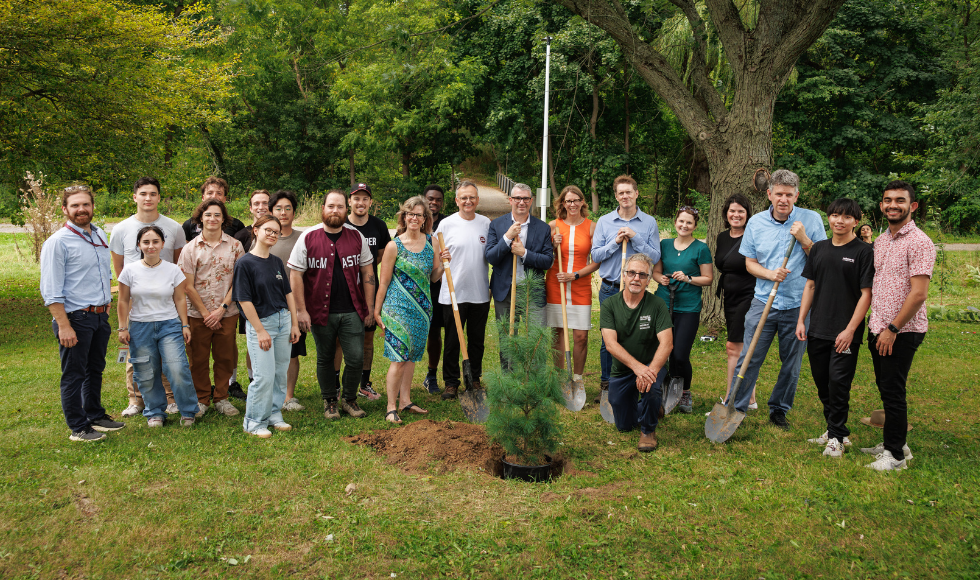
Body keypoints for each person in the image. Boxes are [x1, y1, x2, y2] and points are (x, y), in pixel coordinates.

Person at [728, 169, 827, 430]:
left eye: (789, 194)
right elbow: (749, 263)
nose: (784, 199)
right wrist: (770, 273)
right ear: (769, 194)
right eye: (779, 194)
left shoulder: (811, 219)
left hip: (798, 304)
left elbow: (824, 261)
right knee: (749, 357)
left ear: (797, 195)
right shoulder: (756, 222)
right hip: (763, 301)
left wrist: (805, 240)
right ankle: (735, 407)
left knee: (792, 364)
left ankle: (779, 409)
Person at [40, 184, 124, 442]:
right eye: (75, 205)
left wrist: (106, 301)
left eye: (85, 204)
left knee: (95, 368)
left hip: (99, 316)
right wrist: (64, 325)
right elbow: (51, 291)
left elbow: (102, 271)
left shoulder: (98, 234)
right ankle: (78, 427)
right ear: (65, 209)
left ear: (93, 206)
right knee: (74, 373)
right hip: (75, 317)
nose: (81, 209)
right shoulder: (58, 242)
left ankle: (95, 414)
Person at [861, 181, 934, 471]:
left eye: (900, 201)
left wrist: (893, 329)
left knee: (893, 390)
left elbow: (919, 293)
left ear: (912, 206)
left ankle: (895, 457)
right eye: (888, 200)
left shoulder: (919, 242)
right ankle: (897, 441)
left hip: (901, 330)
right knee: (885, 386)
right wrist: (879, 327)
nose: (893, 205)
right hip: (878, 326)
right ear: (881, 206)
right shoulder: (881, 241)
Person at [795, 198, 874, 458]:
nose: (839, 220)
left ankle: (837, 438)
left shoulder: (863, 252)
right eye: (835, 215)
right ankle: (834, 430)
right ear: (828, 217)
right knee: (822, 384)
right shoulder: (818, 249)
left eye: (846, 217)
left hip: (845, 331)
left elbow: (866, 294)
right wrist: (801, 319)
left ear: (856, 221)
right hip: (818, 327)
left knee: (839, 383)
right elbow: (810, 286)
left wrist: (851, 329)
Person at [288, 190, 376, 420]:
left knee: (356, 358)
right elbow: (296, 275)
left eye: (339, 207)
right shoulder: (309, 236)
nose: (335, 211)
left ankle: (349, 399)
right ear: (323, 208)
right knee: (325, 357)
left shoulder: (356, 236)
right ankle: (329, 401)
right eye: (330, 206)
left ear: (346, 209)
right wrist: (301, 310)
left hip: (352, 310)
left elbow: (368, 271)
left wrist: (369, 307)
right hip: (319, 311)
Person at [109, 176, 186, 417]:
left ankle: (170, 398)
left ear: (159, 197)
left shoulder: (174, 227)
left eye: (153, 194)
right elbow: (119, 268)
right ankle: (136, 399)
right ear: (135, 197)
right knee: (137, 354)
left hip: (165, 298)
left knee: (167, 352)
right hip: (135, 298)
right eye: (143, 194)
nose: (148, 198)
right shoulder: (121, 229)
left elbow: (177, 261)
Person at [117, 225, 199, 427]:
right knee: (146, 371)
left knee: (177, 367)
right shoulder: (129, 271)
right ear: (139, 245)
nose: (151, 246)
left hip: (169, 325)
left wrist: (185, 324)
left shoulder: (173, 270)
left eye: (155, 241)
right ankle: (154, 412)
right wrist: (122, 327)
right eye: (146, 242)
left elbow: (180, 299)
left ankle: (188, 411)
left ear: (163, 244)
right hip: (140, 327)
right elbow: (123, 301)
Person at [590, 175, 661, 403]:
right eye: (621, 193)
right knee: (609, 339)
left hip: (638, 290)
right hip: (611, 289)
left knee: (638, 336)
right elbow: (596, 255)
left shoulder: (649, 223)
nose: (625, 196)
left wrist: (635, 238)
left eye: (629, 192)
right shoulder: (604, 221)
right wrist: (614, 242)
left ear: (636, 194)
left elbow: (655, 256)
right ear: (616, 196)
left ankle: (635, 380)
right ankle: (608, 384)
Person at [375, 196, 444, 423]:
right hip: (397, 309)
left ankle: (405, 400)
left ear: (425, 219)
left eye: (419, 214)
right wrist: (377, 312)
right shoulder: (394, 245)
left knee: (412, 357)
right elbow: (383, 282)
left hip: (422, 309)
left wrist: (443, 265)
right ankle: (390, 407)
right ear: (404, 217)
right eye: (410, 213)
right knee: (399, 358)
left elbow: (433, 278)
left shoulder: (432, 242)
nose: (414, 218)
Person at [233, 215, 301, 438]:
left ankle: (273, 414)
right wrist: (260, 330)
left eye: (276, 231)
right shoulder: (245, 263)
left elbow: (288, 294)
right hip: (262, 324)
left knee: (279, 373)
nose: (272, 234)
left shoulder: (276, 261)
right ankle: (254, 422)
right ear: (255, 230)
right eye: (268, 230)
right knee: (263, 376)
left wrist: (293, 323)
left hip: (283, 322)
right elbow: (244, 300)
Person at [177, 199, 245, 417]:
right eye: (208, 215)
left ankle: (222, 398)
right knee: (198, 359)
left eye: (217, 215)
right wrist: (206, 314)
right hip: (198, 314)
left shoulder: (236, 246)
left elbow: (239, 282)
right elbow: (187, 285)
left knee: (225, 358)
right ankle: (201, 398)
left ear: (223, 219)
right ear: (200, 219)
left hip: (227, 313)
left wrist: (221, 309)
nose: (212, 219)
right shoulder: (190, 249)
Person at [599, 253, 673, 452]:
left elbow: (666, 344)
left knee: (652, 388)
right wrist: (637, 368)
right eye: (631, 273)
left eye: (642, 275)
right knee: (624, 426)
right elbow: (610, 344)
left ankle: (648, 431)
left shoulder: (657, 305)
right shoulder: (609, 305)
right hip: (624, 370)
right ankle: (652, 408)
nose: (636, 278)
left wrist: (649, 371)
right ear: (624, 275)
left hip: (651, 366)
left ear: (649, 280)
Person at [433, 180, 491, 400]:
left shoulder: (486, 223)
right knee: (452, 341)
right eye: (463, 197)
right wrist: (440, 259)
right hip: (452, 294)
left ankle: (474, 379)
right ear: (457, 200)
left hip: (479, 293)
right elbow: (435, 266)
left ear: (477, 200)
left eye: (472, 197)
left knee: (477, 340)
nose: (468, 201)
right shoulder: (446, 226)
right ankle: (451, 382)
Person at [486, 183, 554, 367]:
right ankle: (510, 383)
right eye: (517, 198)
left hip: (533, 291)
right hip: (505, 292)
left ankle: (536, 381)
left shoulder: (542, 228)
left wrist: (524, 253)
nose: (521, 202)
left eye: (525, 198)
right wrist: (507, 237)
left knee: (536, 338)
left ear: (531, 201)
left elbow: (548, 261)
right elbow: (491, 257)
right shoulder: (497, 225)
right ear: (510, 200)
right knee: (508, 339)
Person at [652, 206, 713, 413]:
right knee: (661, 349)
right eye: (681, 221)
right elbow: (656, 271)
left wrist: (688, 278)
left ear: (695, 226)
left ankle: (684, 391)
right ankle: (659, 387)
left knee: (679, 354)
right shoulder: (664, 244)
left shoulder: (700, 248)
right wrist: (659, 278)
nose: (684, 225)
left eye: (689, 223)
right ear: (675, 222)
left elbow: (708, 279)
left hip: (688, 307)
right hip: (662, 303)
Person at [334, 183, 391, 401]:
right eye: (356, 198)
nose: (360, 203)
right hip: (343, 290)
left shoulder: (378, 225)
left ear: (370, 202)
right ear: (349, 201)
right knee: (339, 340)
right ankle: (337, 384)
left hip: (369, 289)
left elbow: (381, 256)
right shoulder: (341, 224)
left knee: (367, 339)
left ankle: (364, 384)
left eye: (365, 199)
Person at [545, 185, 598, 392]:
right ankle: (559, 378)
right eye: (568, 201)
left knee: (580, 336)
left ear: (583, 202)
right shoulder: (553, 226)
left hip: (580, 285)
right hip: (556, 284)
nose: (572, 204)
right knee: (557, 333)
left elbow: (597, 262)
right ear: (562, 204)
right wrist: (552, 245)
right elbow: (544, 257)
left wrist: (575, 275)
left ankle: (577, 378)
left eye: (576, 200)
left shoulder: (592, 227)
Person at [713, 193, 757, 409]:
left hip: (749, 295)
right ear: (726, 213)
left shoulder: (754, 235)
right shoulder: (722, 237)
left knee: (734, 346)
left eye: (741, 211)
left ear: (747, 214)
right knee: (740, 347)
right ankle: (750, 398)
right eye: (732, 211)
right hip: (729, 297)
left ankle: (732, 397)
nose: (736, 214)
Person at [267, 190, 308, 412]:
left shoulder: (303, 238)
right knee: (268, 351)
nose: (283, 213)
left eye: (288, 208)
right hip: (267, 305)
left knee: (292, 351)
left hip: (292, 304)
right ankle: (268, 391)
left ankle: (288, 396)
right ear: (271, 211)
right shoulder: (265, 237)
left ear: (294, 211)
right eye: (278, 209)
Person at [231, 189, 272, 399]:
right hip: (246, 298)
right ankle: (245, 381)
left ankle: (260, 381)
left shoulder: (275, 231)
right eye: (256, 203)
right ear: (250, 207)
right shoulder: (241, 235)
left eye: (265, 203)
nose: (260, 207)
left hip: (270, 298)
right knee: (250, 339)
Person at [422, 184, 447, 394]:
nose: (434, 202)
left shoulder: (448, 224)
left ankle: (432, 374)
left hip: (441, 284)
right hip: (419, 285)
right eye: (430, 198)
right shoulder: (414, 220)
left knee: (436, 331)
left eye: (438, 199)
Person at [181, 177, 246, 241]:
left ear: (224, 199)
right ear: (203, 197)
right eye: (210, 193)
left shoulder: (237, 225)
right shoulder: (189, 224)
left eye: (219, 193)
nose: (214, 196)